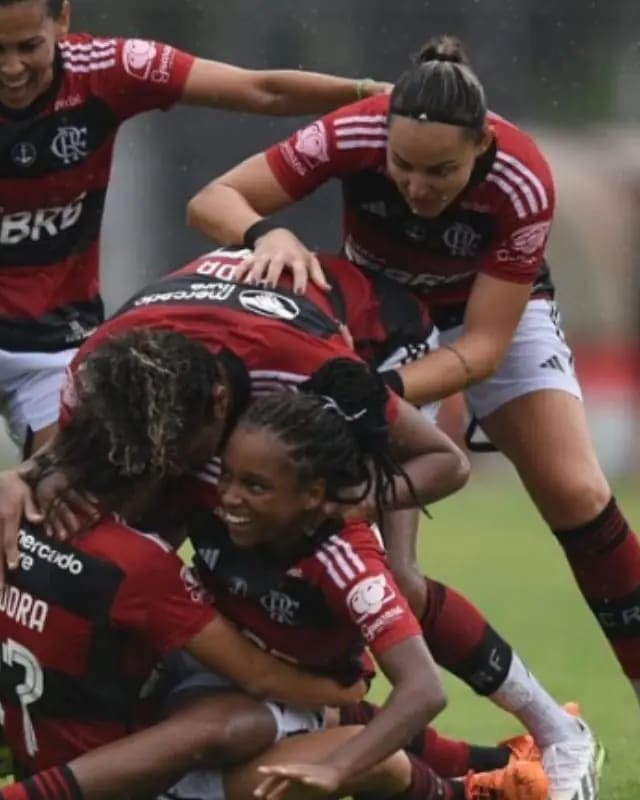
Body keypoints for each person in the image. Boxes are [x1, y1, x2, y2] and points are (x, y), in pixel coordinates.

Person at [0, 0, 393, 756]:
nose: (13, 66)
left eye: (29, 45)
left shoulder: (113, 70)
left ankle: (86, 718)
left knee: (81, 521)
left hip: (61, 341)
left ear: (64, 22)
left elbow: (257, 89)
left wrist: (367, 94)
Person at [185, 35, 609, 800]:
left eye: (441, 171)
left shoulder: (522, 177)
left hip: (471, 326)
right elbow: (213, 198)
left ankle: (554, 734)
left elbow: (478, 348)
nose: (416, 186)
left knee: (576, 495)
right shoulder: (354, 131)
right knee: (383, 583)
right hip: (379, 330)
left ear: (481, 146)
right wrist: (267, 232)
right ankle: (502, 755)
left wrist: (372, 393)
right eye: (402, 167)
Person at [0, 354, 546, 800]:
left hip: (277, 699)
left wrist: (337, 768)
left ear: (315, 494)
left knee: (250, 727)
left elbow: (422, 688)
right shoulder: (220, 485)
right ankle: (499, 767)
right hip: (225, 669)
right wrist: (29, 475)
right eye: (227, 474)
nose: (226, 495)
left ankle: (484, 783)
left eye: (253, 485)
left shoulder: (349, 560)